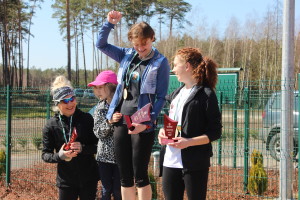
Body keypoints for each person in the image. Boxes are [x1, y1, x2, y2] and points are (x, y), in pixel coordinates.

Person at [96, 10, 170, 200]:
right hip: (121, 119)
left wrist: (148, 123)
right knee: (125, 175)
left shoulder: (160, 62)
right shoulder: (126, 55)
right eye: (136, 45)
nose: (140, 48)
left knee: (140, 175)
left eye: (144, 44)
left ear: (152, 38)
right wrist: (109, 23)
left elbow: (161, 97)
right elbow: (101, 44)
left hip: (142, 123)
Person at [158, 47, 222, 200]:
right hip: (170, 161)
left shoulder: (206, 94)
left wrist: (189, 142)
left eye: (175, 65)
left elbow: (215, 131)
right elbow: (172, 122)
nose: (173, 69)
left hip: (194, 163)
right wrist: (163, 132)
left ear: (187, 66)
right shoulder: (176, 94)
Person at [42, 75, 99, 200]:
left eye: (72, 98)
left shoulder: (87, 119)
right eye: (65, 101)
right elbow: (45, 155)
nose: (70, 103)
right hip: (66, 181)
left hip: (89, 178)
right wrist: (60, 155)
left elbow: (99, 146)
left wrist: (83, 148)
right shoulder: (51, 125)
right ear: (57, 104)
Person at [87, 70, 122, 200]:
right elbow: (97, 132)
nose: (97, 91)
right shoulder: (100, 107)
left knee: (119, 191)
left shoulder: (123, 105)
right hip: (104, 158)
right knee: (106, 191)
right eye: (95, 88)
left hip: (121, 157)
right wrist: (110, 122)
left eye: (100, 87)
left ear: (111, 86)